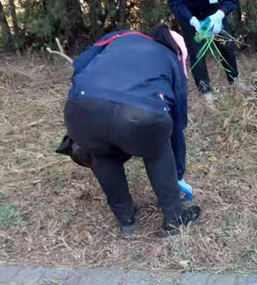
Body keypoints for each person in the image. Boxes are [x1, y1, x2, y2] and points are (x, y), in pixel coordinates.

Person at [64, 25, 201, 237]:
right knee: (157, 149)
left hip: (81, 110)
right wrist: (178, 172)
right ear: (178, 52)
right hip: (140, 115)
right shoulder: (171, 59)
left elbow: (80, 64)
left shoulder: (123, 36)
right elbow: (177, 124)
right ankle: (174, 219)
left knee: (102, 153)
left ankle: (126, 219)